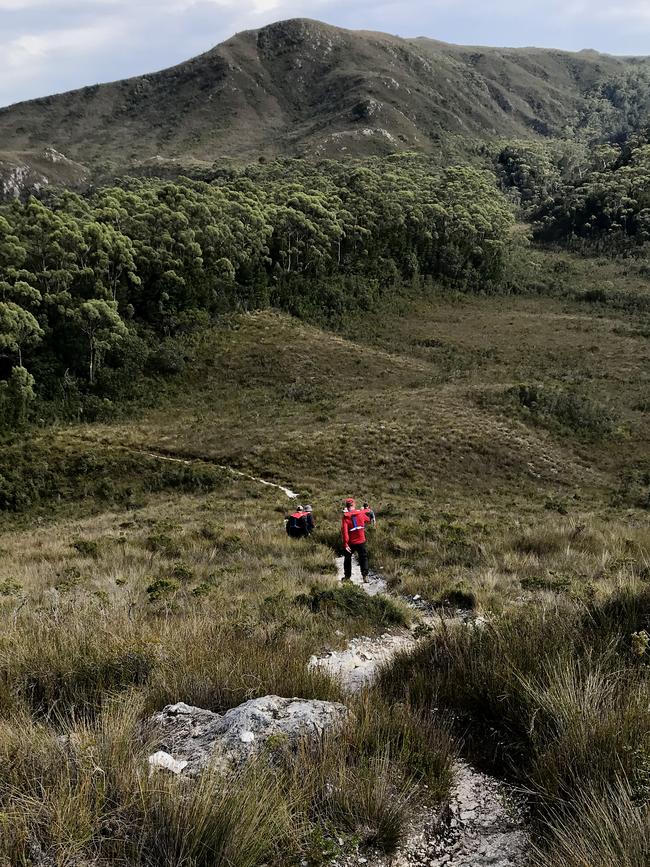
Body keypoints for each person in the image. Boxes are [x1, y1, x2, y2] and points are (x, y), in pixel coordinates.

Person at [341, 497, 371, 582]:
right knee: (363, 557)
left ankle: (347, 577)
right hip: (361, 540)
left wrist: (345, 543)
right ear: (354, 504)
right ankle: (365, 576)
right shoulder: (360, 513)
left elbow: (345, 532)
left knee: (347, 559)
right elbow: (368, 520)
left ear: (346, 506)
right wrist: (364, 510)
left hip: (351, 542)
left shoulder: (345, 517)